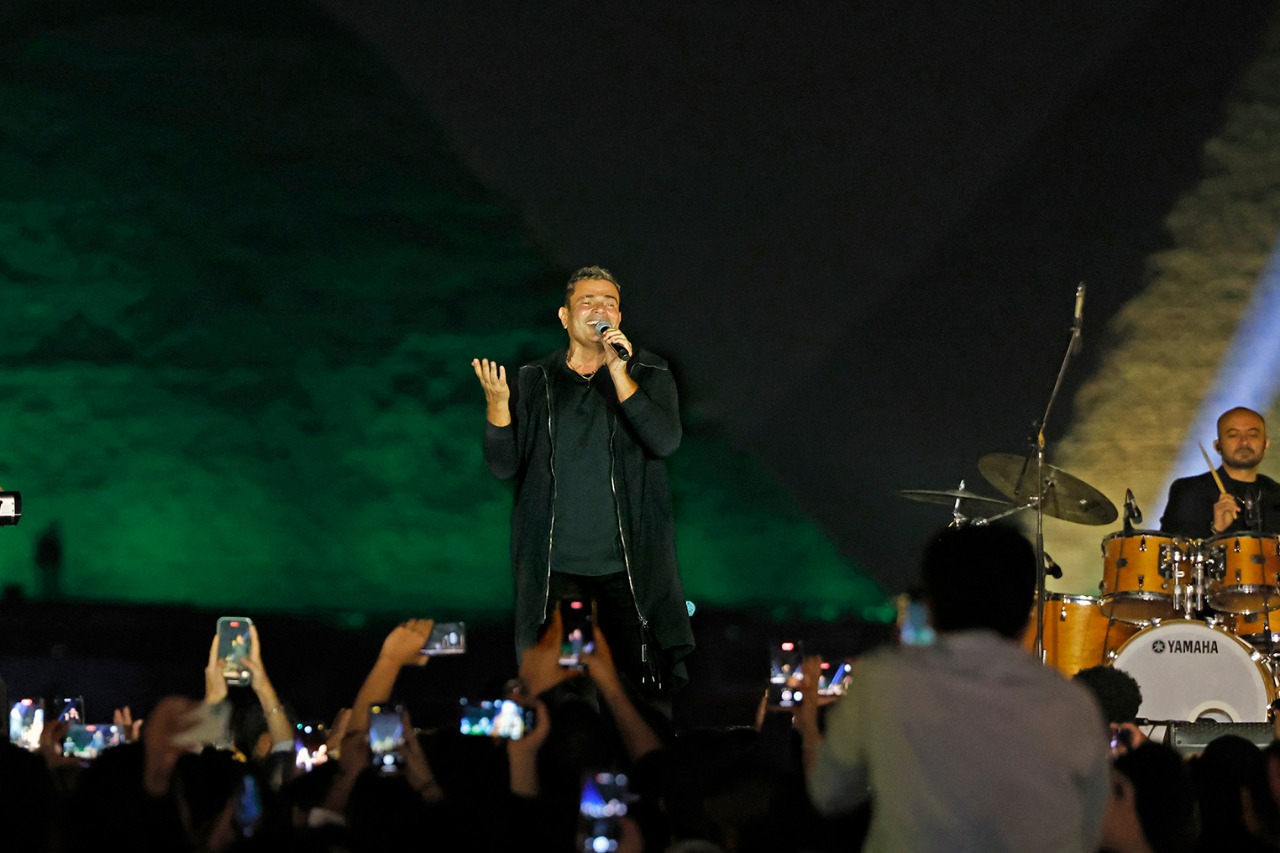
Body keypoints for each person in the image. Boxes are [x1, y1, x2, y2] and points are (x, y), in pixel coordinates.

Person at [796, 523, 1112, 853]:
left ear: (929, 608)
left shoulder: (882, 681)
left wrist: (808, 726)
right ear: (1028, 614)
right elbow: (1090, 829)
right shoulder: (1074, 705)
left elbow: (829, 793)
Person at [471, 265, 695, 704]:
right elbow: (503, 466)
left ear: (619, 317)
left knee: (637, 695)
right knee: (566, 696)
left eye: (609, 303)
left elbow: (665, 441)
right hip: (557, 573)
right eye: (587, 302)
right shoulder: (535, 378)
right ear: (564, 316)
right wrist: (498, 406)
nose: (600, 310)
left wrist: (619, 371)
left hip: (628, 572)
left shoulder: (649, 371)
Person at [1160, 406, 1280, 538]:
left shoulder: (1276, 493)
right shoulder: (1189, 491)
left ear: (1266, 444)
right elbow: (1171, 547)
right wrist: (1216, 530)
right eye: (1233, 435)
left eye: (1253, 435)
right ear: (1218, 446)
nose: (1244, 442)